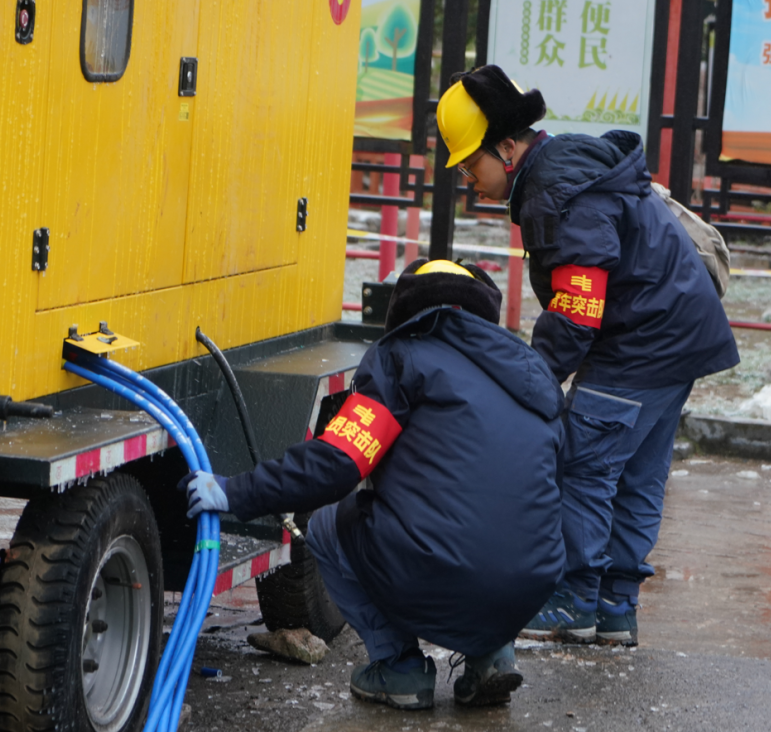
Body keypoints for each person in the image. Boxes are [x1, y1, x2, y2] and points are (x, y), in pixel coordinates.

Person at [435, 65, 739, 646]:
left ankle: (574, 599)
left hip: (638, 341)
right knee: (639, 473)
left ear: (506, 147)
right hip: (679, 335)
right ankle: (617, 606)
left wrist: (531, 379)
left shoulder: (557, 192)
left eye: (471, 165)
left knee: (582, 464)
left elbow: (578, 309)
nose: (469, 179)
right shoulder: (568, 169)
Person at [180, 260, 565, 710]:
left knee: (327, 524)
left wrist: (235, 491)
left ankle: (399, 667)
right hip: (532, 583)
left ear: (407, 309)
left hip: (436, 570)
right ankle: (491, 654)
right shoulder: (531, 376)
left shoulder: (401, 359)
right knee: (503, 525)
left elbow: (338, 464)